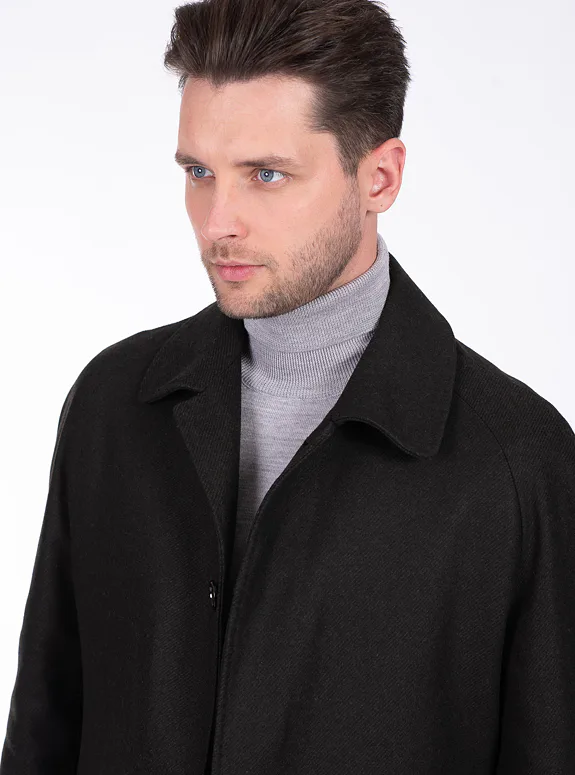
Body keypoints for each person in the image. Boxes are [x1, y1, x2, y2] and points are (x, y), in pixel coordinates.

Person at [2, 0, 574, 772]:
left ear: (379, 177)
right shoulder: (114, 404)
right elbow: (44, 728)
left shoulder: (517, 462)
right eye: (198, 172)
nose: (217, 222)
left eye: (266, 175)